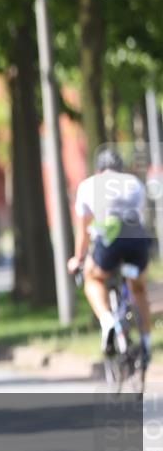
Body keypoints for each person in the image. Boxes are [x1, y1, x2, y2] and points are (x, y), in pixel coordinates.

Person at [67, 148, 152, 366]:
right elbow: (140, 216)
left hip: (110, 240)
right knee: (139, 289)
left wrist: (78, 258)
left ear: (98, 169)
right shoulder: (134, 182)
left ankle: (108, 322)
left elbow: (84, 228)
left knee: (92, 278)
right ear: (121, 168)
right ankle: (146, 343)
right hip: (138, 240)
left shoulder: (88, 185)